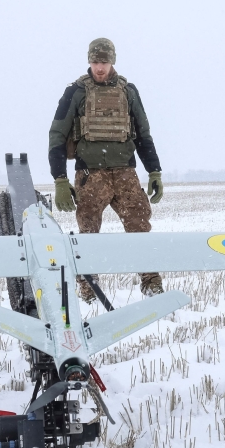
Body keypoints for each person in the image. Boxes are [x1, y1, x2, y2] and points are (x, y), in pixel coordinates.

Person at [48, 38, 165, 302]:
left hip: (125, 173)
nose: (99, 67)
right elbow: (56, 135)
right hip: (91, 176)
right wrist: (60, 179)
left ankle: (152, 285)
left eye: (104, 61)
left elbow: (143, 134)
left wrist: (154, 171)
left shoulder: (128, 91)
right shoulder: (75, 92)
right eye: (95, 61)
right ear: (89, 60)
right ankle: (88, 292)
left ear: (112, 61)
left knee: (140, 228)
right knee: (88, 236)